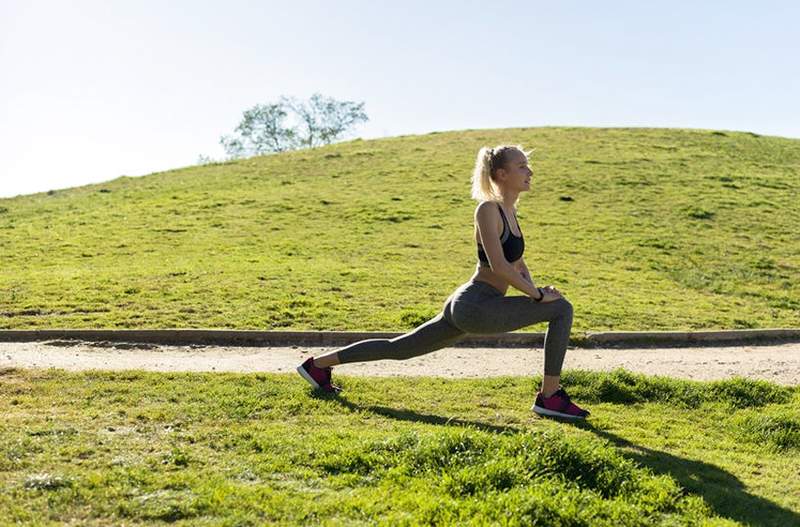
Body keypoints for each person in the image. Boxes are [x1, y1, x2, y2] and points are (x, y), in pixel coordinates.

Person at [297, 144, 589, 419]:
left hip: (475, 304)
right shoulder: (488, 209)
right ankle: (549, 397)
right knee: (562, 309)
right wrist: (538, 297)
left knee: (399, 348)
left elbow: (516, 264)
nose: (530, 172)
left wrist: (537, 291)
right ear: (502, 174)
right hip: (475, 305)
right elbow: (499, 266)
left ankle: (317, 366)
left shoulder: (511, 212)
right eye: (522, 166)